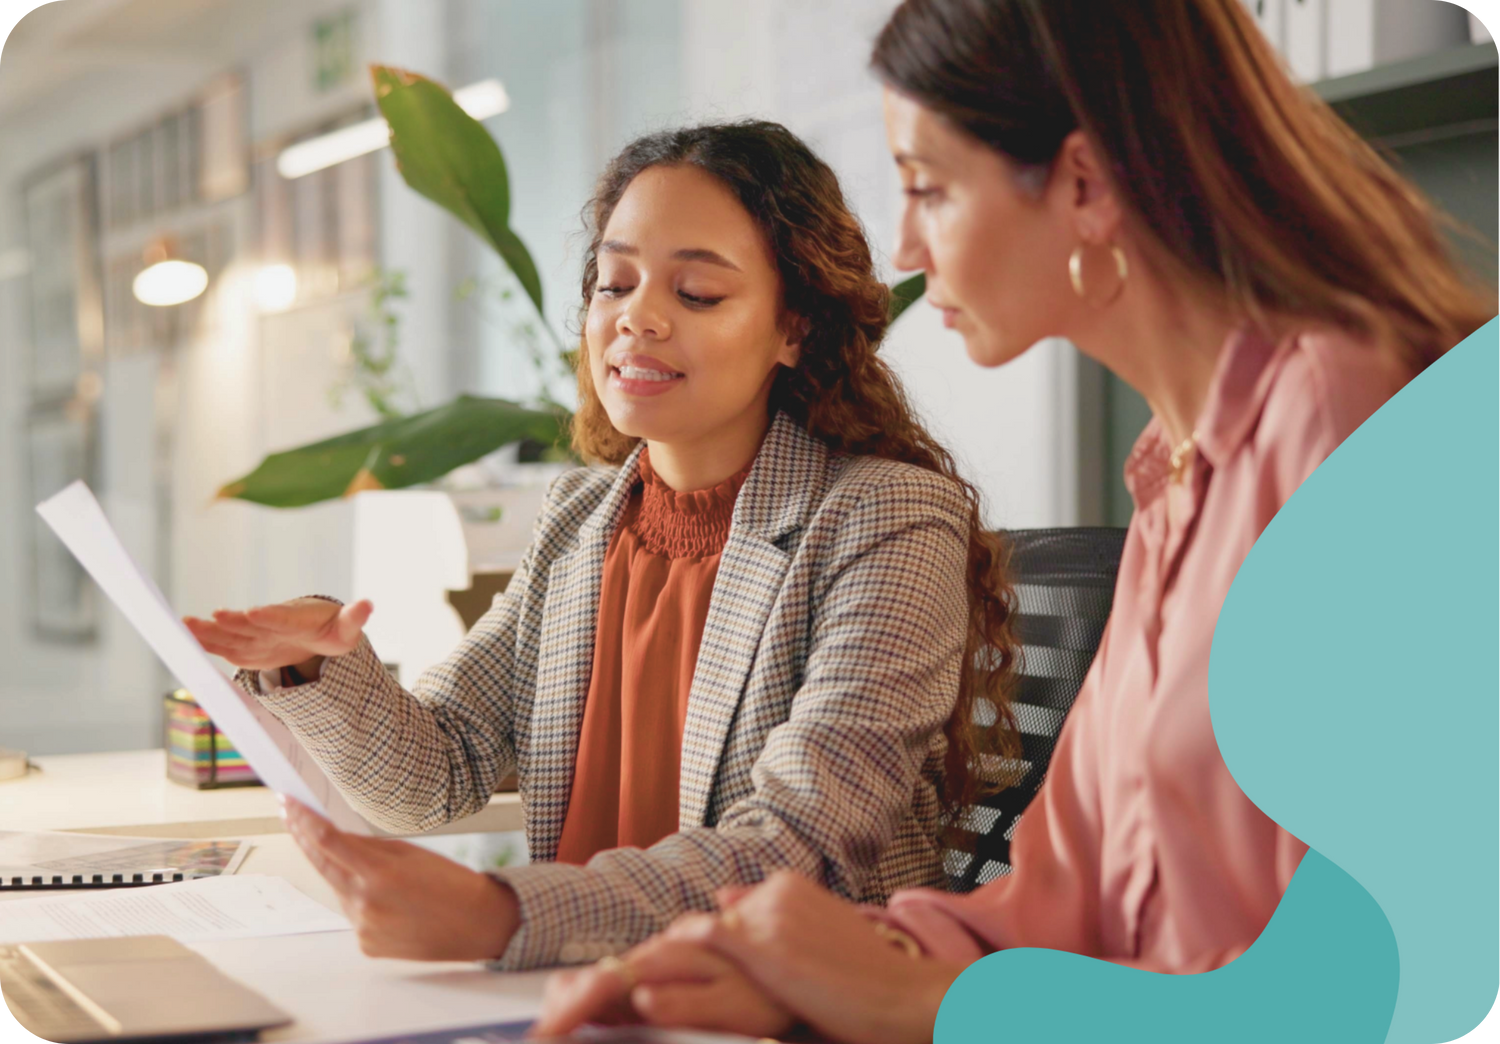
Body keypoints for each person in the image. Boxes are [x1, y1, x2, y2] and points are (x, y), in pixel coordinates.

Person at [532, 0, 1495, 1038]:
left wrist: (923, 1004)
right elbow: (1054, 904)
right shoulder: (1175, 477)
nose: (903, 242)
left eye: (928, 188)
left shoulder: (1349, 425)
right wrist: (798, 964)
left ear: (1081, 184)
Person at [184, 120, 1022, 971]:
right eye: (614, 283)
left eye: (696, 294)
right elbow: (439, 772)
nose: (638, 319)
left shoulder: (886, 516)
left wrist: (500, 915)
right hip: (580, 994)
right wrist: (317, 662)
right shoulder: (580, 519)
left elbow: (799, 844)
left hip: (782, 1006)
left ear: (793, 329)